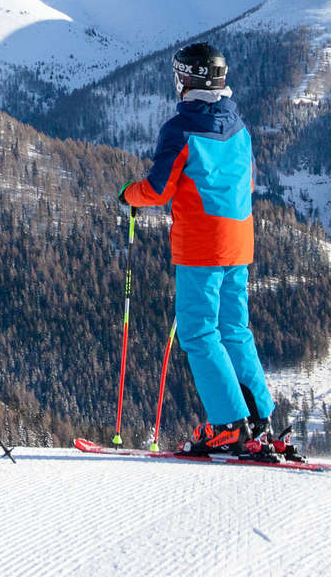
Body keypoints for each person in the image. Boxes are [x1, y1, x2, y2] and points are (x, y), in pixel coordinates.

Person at [118, 42, 285, 458]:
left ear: (187, 79)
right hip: (240, 241)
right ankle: (258, 418)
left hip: (201, 247)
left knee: (198, 331)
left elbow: (157, 190)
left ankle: (228, 425)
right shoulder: (239, 128)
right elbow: (246, 186)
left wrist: (128, 195)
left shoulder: (181, 130)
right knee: (234, 329)